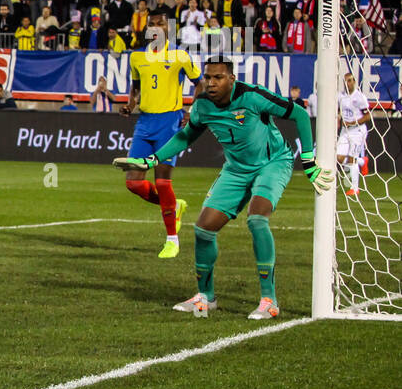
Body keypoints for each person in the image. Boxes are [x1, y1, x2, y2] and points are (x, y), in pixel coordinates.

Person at [116, 58, 332, 319]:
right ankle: (206, 297)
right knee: (203, 229)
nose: (211, 83)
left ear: (231, 79)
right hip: (236, 168)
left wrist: (308, 159)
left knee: (257, 219)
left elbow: (298, 113)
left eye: (218, 77)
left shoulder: (252, 96)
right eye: (208, 77)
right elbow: (186, 135)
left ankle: (269, 300)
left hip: (272, 163)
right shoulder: (203, 105)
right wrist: (152, 159)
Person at [121, 29, 200, 258]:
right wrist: (130, 105)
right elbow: (135, 88)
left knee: (163, 182)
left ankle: (172, 240)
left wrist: (192, 111)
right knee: (133, 183)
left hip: (169, 123)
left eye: (160, 24)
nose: (155, 28)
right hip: (145, 123)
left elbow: (200, 83)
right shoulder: (137, 57)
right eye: (152, 24)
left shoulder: (179, 56)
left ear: (167, 30)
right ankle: (174, 207)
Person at [337, 73, 370, 197]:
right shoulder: (341, 96)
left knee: (352, 158)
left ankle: (355, 188)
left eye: (350, 81)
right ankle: (362, 162)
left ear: (354, 81)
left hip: (357, 131)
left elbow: (367, 116)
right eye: (346, 81)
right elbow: (340, 111)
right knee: (338, 158)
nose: (348, 83)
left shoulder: (360, 97)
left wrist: (352, 122)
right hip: (345, 131)